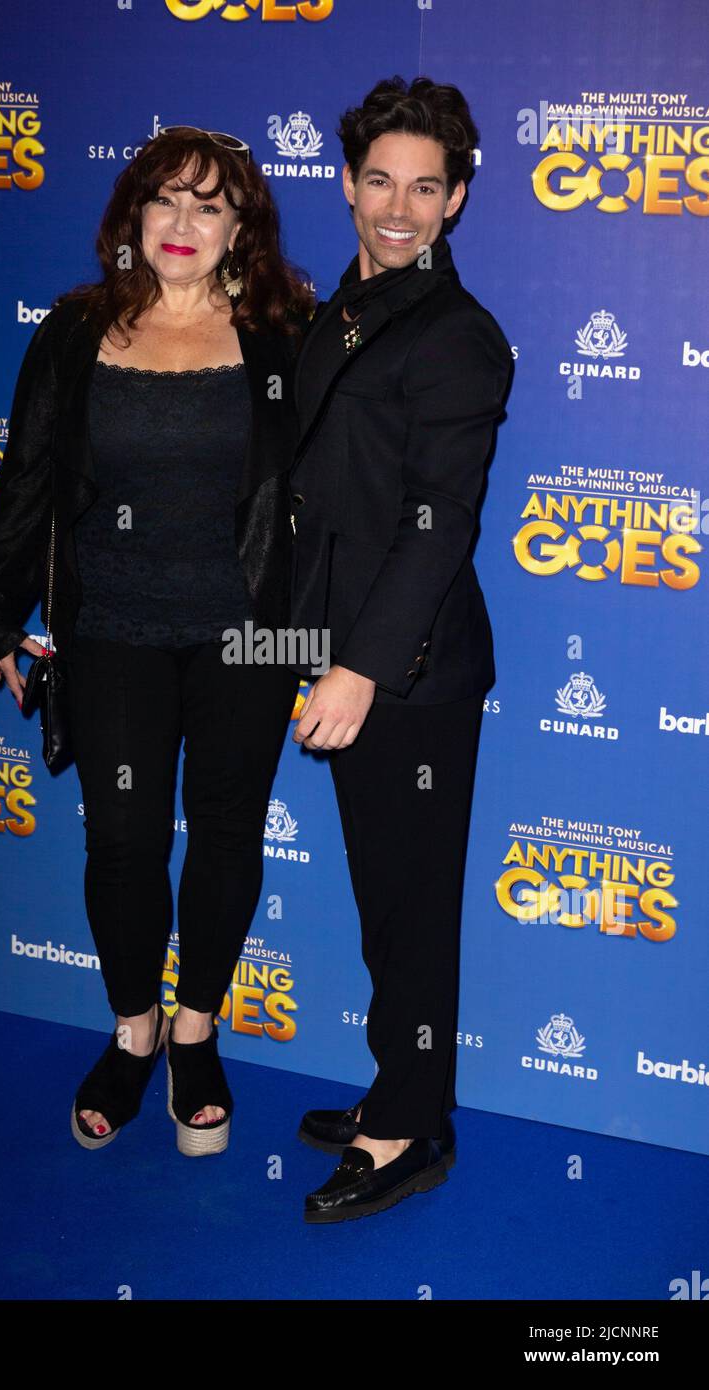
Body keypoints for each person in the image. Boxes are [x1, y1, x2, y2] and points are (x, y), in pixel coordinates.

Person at [0, 126, 312, 1157]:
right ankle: (134, 1029)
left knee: (226, 829)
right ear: (132, 215)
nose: (184, 223)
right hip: (110, 626)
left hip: (245, 636)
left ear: (241, 228)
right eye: (167, 199)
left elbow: (328, 495)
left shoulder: (283, 333)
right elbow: (25, 473)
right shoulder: (74, 330)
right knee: (120, 838)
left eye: (211, 205)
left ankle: (197, 1027)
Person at [288, 77, 513, 1221]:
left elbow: (438, 523)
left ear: (456, 200)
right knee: (386, 903)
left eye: (425, 186)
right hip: (338, 650)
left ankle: (410, 1128)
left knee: (414, 907)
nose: (398, 204)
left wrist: (359, 667)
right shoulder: (345, 310)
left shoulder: (458, 337)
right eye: (379, 179)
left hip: (411, 676)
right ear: (346, 182)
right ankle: (401, 1079)